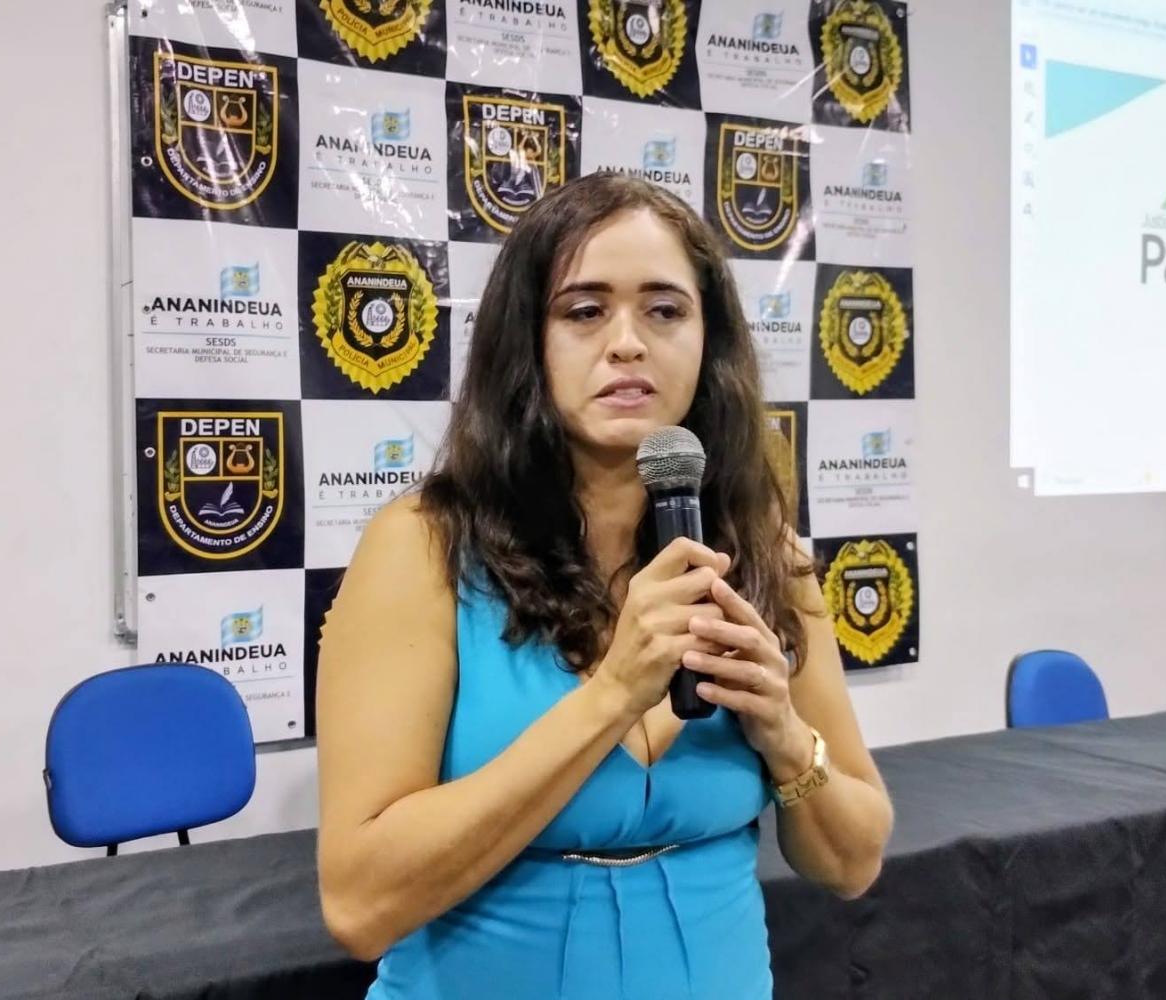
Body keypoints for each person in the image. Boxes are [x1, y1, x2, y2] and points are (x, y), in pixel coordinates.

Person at [315, 173, 894, 1000]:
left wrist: (784, 734)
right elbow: (359, 904)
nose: (627, 343)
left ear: (709, 339)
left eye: (665, 310)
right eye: (585, 311)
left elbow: (853, 862)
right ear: (528, 340)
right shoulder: (423, 545)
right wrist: (612, 696)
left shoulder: (764, 551)